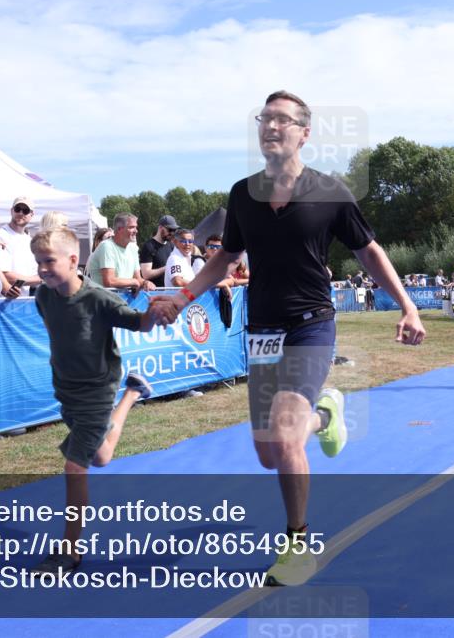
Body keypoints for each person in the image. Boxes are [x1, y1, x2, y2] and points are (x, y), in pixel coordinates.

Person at [153, 90, 425, 586]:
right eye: (265, 118)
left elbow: (369, 252)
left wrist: (408, 305)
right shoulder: (243, 195)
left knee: (283, 434)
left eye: (282, 120)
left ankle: (297, 545)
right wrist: (183, 296)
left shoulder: (330, 192)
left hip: (311, 324)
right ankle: (326, 414)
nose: (271, 126)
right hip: (262, 329)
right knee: (268, 452)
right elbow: (225, 257)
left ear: (304, 133)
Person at [27, 228, 172, 577]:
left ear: (73, 260)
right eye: (38, 262)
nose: (42, 269)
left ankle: (70, 551)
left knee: (75, 468)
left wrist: (155, 312)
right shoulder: (43, 297)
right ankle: (134, 392)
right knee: (102, 456)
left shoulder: (98, 299)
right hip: (66, 391)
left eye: (49, 261)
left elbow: (139, 324)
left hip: (97, 391)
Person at [86, 213, 155, 291]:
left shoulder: (133, 248)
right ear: (119, 229)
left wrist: (145, 282)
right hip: (104, 297)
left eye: (136, 227)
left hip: (123, 297)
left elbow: (137, 278)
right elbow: (109, 281)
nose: (136, 231)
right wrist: (134, 281)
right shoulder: (106, 246)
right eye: (131, 227)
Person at [0, 196, 41, 297]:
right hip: (2, 300)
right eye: (17, 209)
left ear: (31, 214)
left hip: (23, 300)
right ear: (12, 211)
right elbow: (4, 274)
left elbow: (33, 273)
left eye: (25, 210)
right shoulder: (0, 235)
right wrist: (40, 279)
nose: (20, 213)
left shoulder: (29, 240)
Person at [139, 215, 179, 287]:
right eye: (170, 230)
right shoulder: (148, 246)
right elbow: (146, 274)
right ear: (160, 228)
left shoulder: (172, 246)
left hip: (170, 290)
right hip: (155, 291)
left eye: (174, 230)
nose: (172, 233)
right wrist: (167, 267)